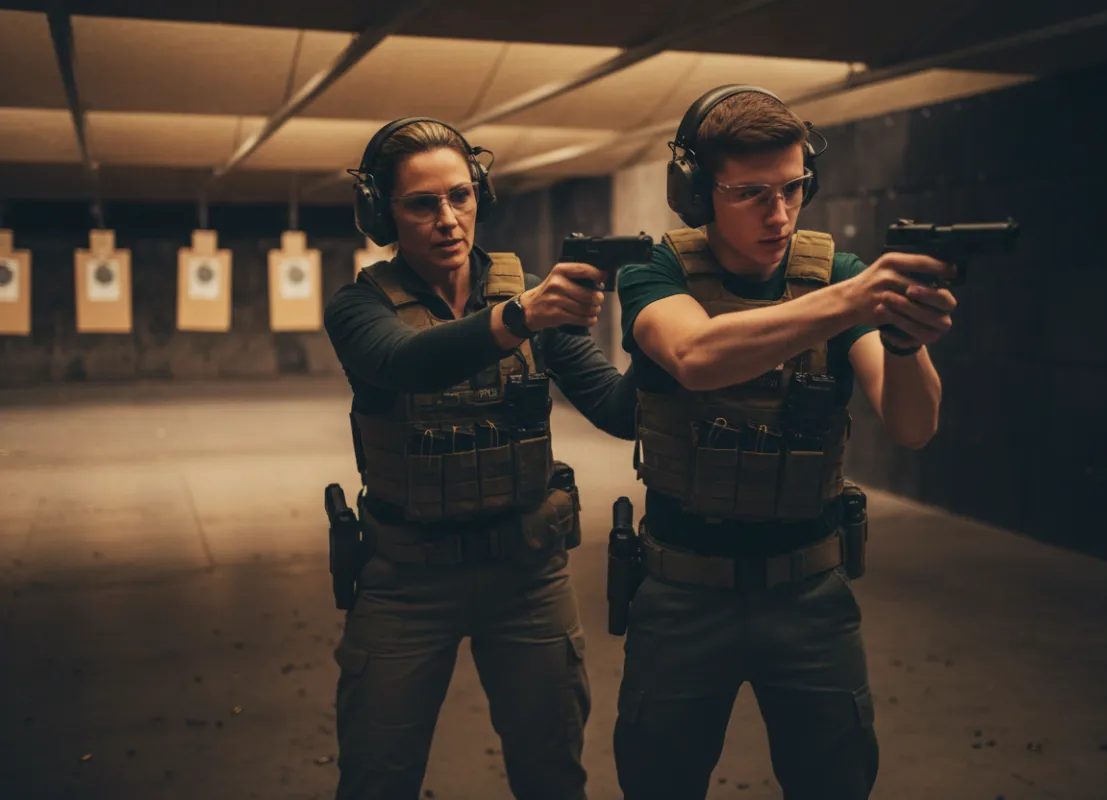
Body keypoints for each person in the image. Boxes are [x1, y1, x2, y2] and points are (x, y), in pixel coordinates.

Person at [612, 85, 959, 799]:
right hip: (683, 588)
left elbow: (913, 425)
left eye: (793, 188)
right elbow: (698, 358)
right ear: (698, 192)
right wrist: (855, 298)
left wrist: (902, 339)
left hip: (809, 591)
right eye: (750, 194)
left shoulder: (835, 274)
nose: (779, 214)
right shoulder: (658, 270)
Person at [324, 116, 635, 800]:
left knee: (553, 774)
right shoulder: (359, 306)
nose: (448, 218)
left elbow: (620, 410)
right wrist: (522, 317)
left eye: (460, 196)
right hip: (406, 577)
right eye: (421, 203)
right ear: (382, 213)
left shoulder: (524, 295)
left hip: (527, 572)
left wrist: (660, 332)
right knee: (378, 777)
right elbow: (407, 363)